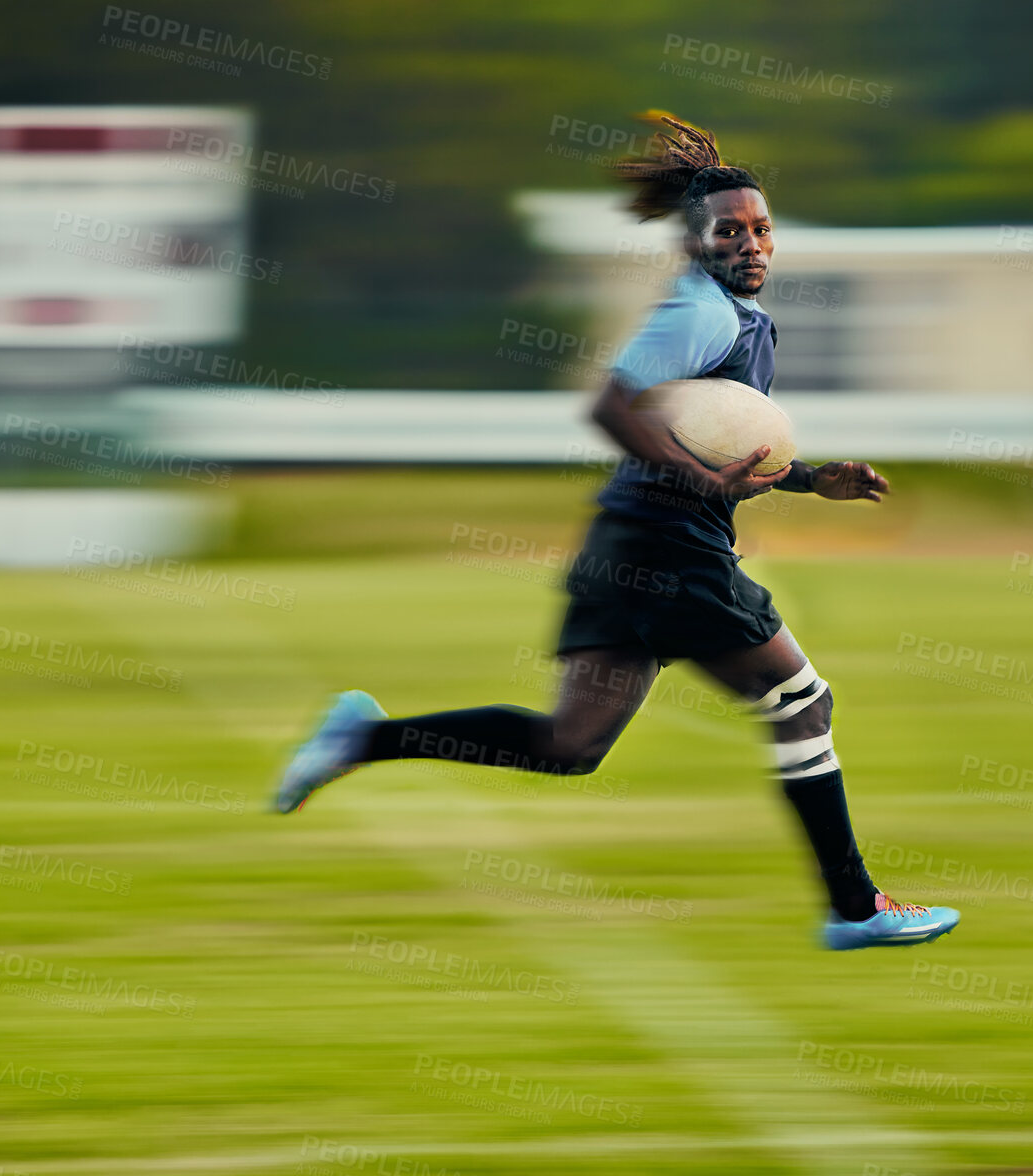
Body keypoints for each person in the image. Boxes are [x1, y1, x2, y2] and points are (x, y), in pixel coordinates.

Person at [272, 113, 958, 951]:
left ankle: (363, 737)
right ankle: (855, 908)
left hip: (625, 544)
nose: (751, 245)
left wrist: (815, 481)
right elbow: (610, 406)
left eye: (761, 229)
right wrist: (704, 484)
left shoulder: (734, 320)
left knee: (570, 744)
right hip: (671, 550)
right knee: (801, 703)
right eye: (729, 231)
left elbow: (711, 440)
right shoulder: (699, 315)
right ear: (694, 241)